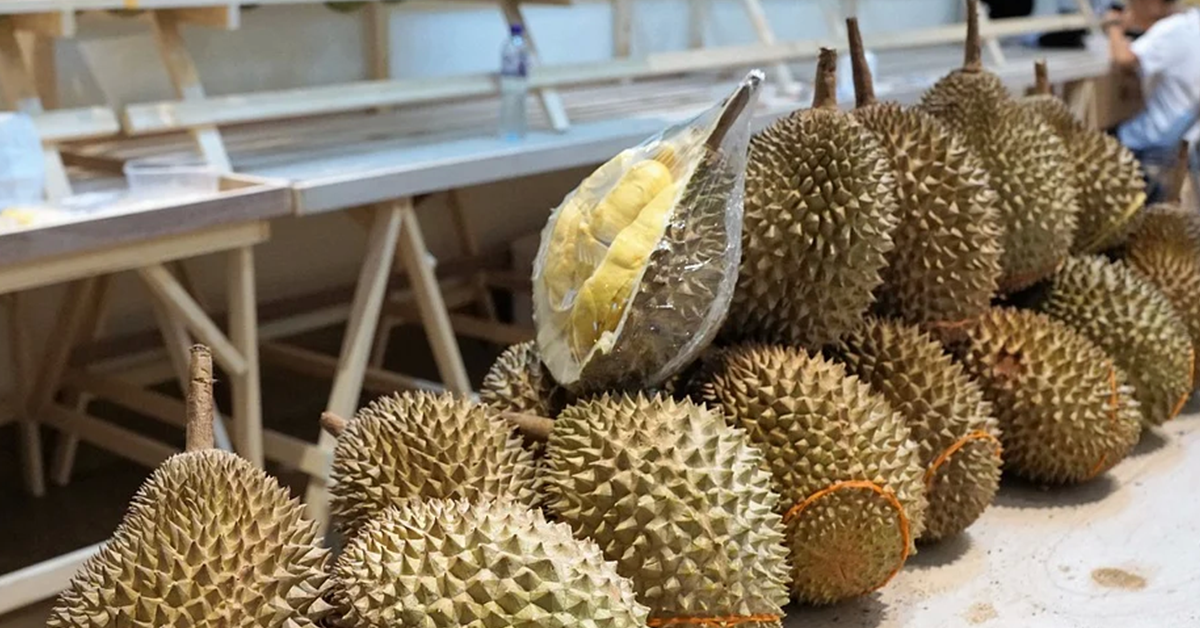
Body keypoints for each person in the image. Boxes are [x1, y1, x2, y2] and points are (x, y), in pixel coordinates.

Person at [1105, 0, 1200, 200]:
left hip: (1159, 136)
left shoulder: (1169, 30)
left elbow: (1123, 59)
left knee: (1096, 141)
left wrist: (1113, 25)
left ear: (1152, 4)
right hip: (1188, 133)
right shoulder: (1191, 23)